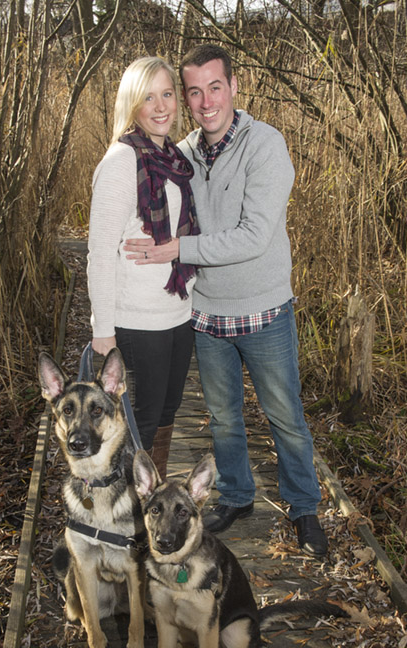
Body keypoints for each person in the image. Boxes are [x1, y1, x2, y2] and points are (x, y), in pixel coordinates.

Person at [124, 45, 328, 557]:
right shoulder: (185, 153)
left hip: (264, 310)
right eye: (194, 90)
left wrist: (175, 249)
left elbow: (254, 235)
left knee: (284, 415)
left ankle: (304, 507)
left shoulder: (266, 145)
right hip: (207, 314)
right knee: (222, 418)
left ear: (235, 87)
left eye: (215, 86)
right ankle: (237, 495)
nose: (205, 99)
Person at [86, 56, 199, 478]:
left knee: (167, 414)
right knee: (141, 424)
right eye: (148, 97)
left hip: (177, 313)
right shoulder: (121, 161)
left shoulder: (173, 157)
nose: (160, 106)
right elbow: (99, 251)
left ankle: (154, 507)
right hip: (138, 321)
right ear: (132, 104)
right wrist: (103, 330)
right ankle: (132, 521)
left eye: (167, 94)